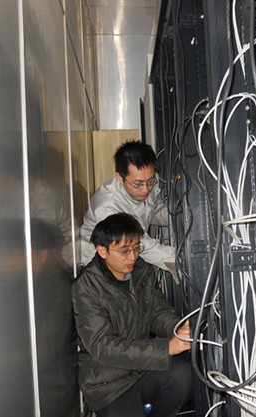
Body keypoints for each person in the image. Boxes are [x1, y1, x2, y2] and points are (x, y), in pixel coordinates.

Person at [72, 213, 192, 417]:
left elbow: (157, 312)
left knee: (182, 376)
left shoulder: (140, 271)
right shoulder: (86, 288)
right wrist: (166, 348)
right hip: (109, 384)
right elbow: (104, 348)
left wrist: (179, 329)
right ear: (102, 251)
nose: (133, 257)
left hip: (141, 369)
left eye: (136, 248)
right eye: (124, 251)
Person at [80, 140, 175, 270]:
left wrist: (178, 218)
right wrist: (178, 260)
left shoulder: (147, 178)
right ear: (120, 177)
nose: (146, 189)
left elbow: (153, 209)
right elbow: (137, 243)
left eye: (150, 182)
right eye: (138, 184)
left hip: (127, 256)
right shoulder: (108, 207)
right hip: (101, 266)